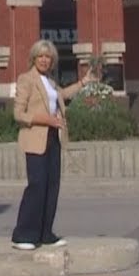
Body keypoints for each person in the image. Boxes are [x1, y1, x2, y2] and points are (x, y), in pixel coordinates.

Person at [10, 39, 97, 250]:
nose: (44, 60)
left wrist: (83, 82)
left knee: (52, 186)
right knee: (37, 185)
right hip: (35, 139)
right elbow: (19, 114)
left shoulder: (50, 81)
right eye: (40, 56)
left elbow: (63, 95)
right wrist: (46, 120)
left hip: (53, 138)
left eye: (48, 57)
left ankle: (45, 233)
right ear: (34, 58)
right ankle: (24, 235)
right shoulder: (26, 79)